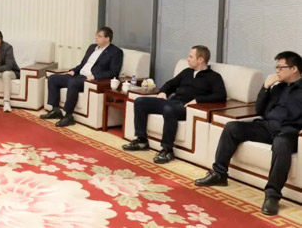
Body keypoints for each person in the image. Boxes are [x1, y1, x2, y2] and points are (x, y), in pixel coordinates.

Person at [195, 51, 302, 216]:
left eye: (281, 68)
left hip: (290, 131)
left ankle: (272, 196)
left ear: (294, 69)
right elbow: (259, 109)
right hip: (267, 126)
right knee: (232, 127)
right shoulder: (278, 87)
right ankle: (219, 173)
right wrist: (265, 87)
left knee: (281, 144)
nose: (277, 71)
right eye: (276, 68)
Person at [123, 45, 226, 164]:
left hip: (186, 108)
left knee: (169, 109)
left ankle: (167, 150)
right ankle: (141, 140)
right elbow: (171, 83)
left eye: (190, 56)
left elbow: (221, 95)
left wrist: (198, 100)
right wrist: (163, 92)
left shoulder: (214, 77)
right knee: (140, 102)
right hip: (172, 102)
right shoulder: (187, 71)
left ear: (200, 59)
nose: (187, 59)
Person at [41, 26, 123, 127]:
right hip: (78, 75)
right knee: (53, 78)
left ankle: (68, 116)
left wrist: (95, 76)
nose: (96, 38)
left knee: (73, 83)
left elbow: (113, 72)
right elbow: (83, 64)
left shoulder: (115, 52)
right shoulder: (92, 47)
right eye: (96, 35)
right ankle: (55, 110)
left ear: (107, 38)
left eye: (99, 36)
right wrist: (73, 71)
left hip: (89, 79)